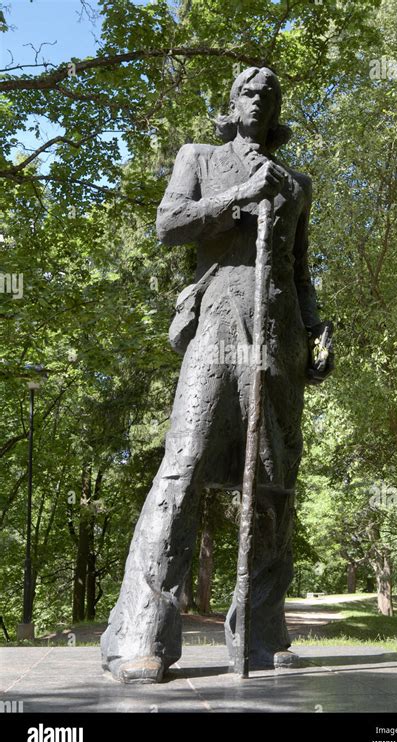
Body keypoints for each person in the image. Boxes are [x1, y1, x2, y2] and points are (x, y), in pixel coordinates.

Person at [101, 66, 333, 684]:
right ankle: (140, 637)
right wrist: (236, 198)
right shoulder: (200, 157)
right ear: (231, 105)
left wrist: (316, 327)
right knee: (184, 466)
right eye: (249, 92)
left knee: (274, 481)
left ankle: (261, 632)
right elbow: (169, 225)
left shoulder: (296, 184)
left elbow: (299, 265)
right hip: (220, 320)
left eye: (271, 94)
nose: (260, 100)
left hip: (278, 329)